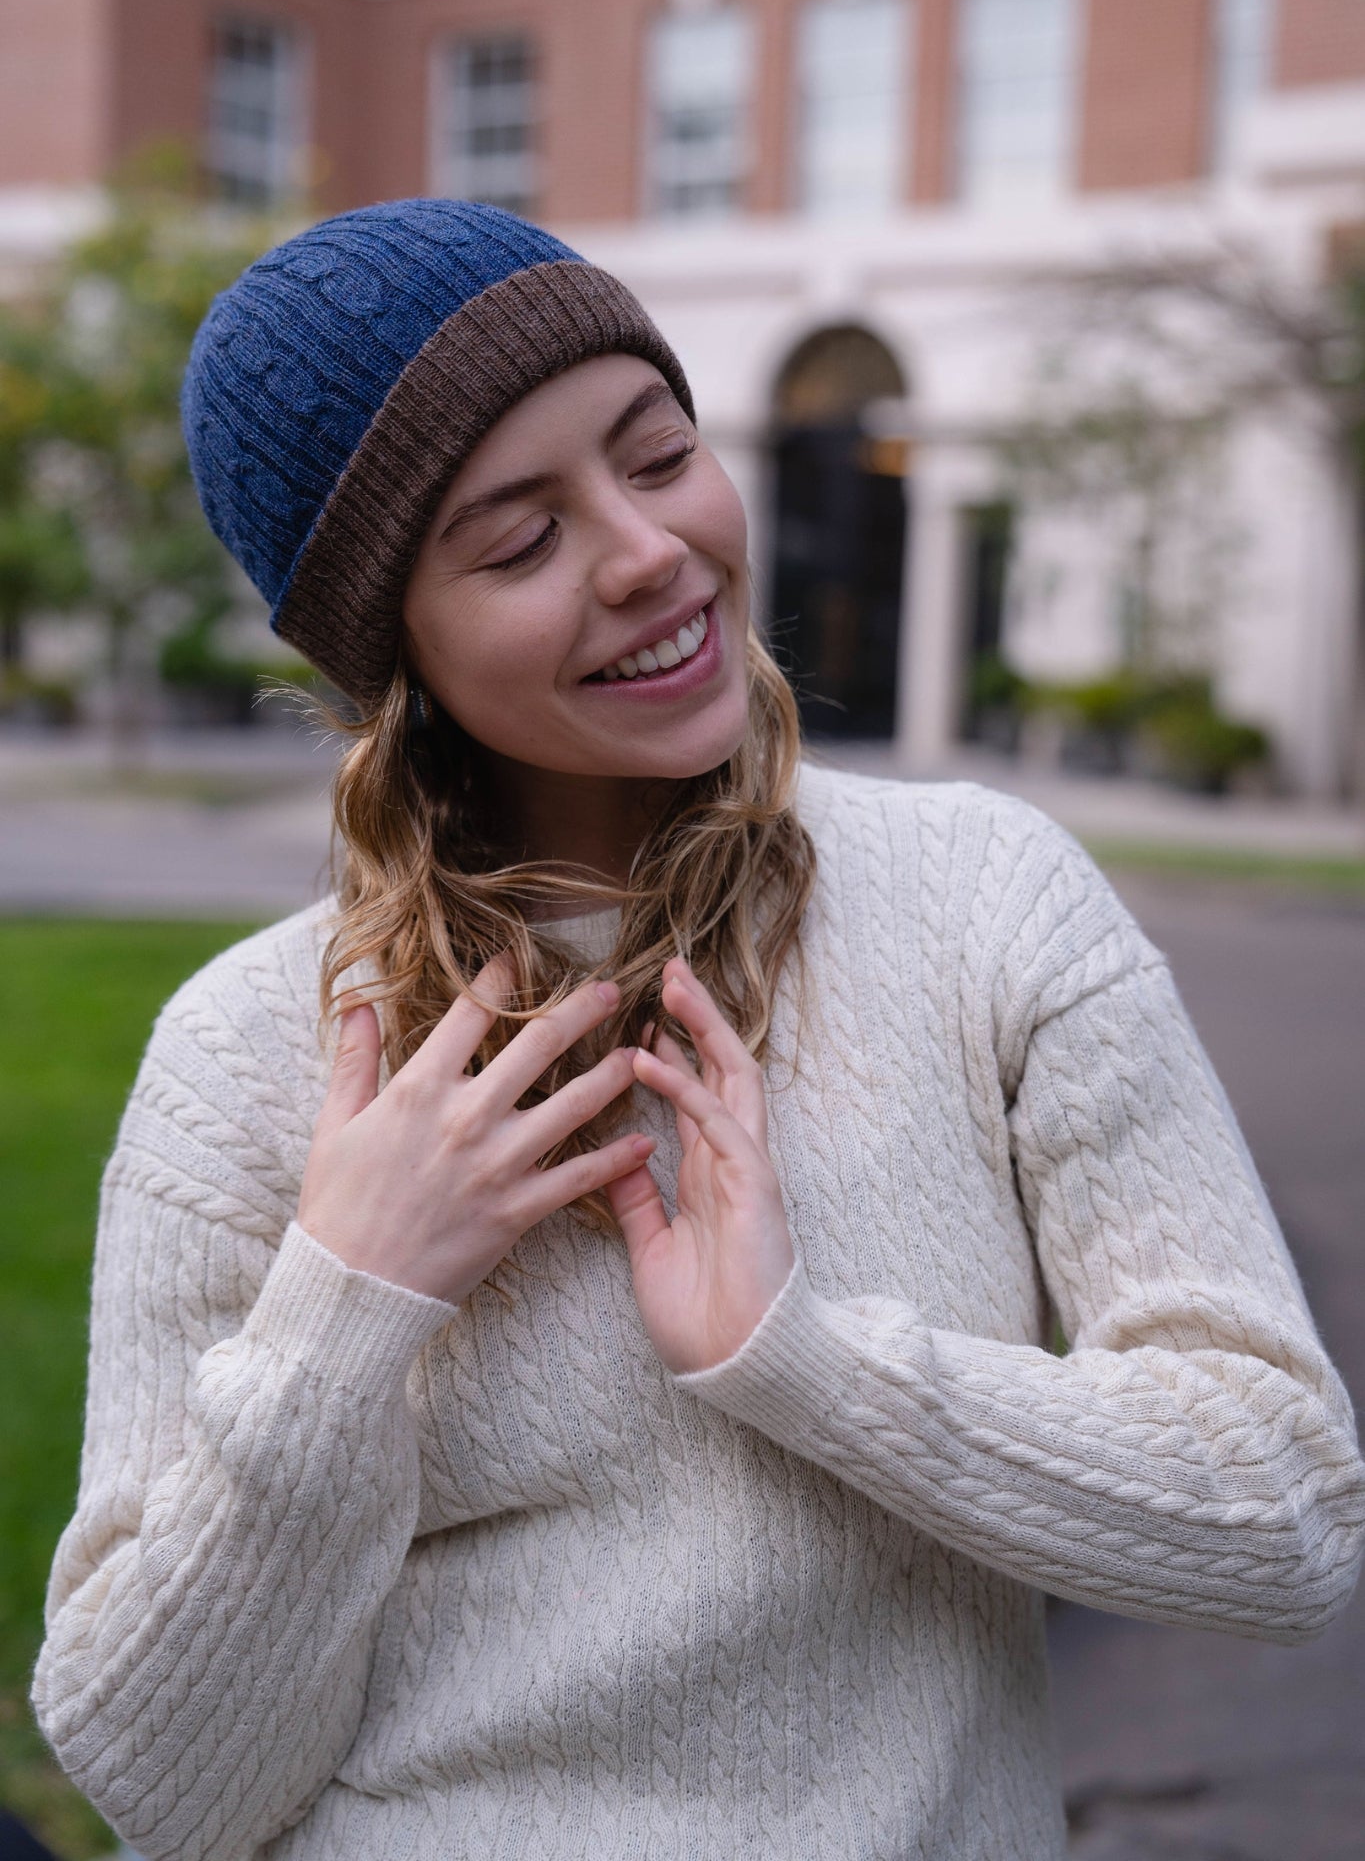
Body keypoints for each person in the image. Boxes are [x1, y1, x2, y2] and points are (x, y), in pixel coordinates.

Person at [33, 200, 1363, 1861]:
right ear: (398, 656)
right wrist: (344, 1311)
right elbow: (163, 1788)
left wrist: (803, 1360)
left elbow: (1285, 1513)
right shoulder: (246, 1058)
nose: (647, 550)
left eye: (656, 457)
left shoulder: (980, 903)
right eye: (519, 542)